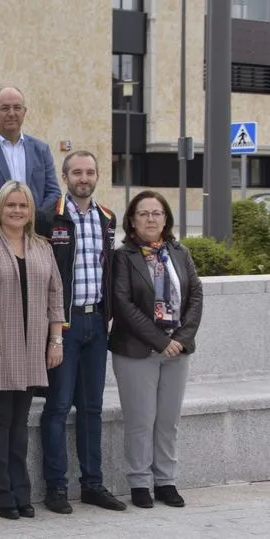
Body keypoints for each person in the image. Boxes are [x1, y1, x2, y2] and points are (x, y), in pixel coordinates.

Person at [0, 180, 65, 520]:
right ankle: (2, 494)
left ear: (30, 211)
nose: (17, 211)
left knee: (20, 424)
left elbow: (55, 295)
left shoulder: (42, 247)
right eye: (11, 205)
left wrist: (55, 340)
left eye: (23, 206)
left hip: (32, 347)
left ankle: (23, 493)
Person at [35, 150, 125, 514]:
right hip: (64, 323)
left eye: (89, 172)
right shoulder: (49, 217)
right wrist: (51, 331)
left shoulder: (107, 217)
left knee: (92, 408)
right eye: (77, 172)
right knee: (57, 407)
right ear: (65, 176)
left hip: (97, 324)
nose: (83, 178)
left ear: (97, 176)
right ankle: (56, 487)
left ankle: (93, 484)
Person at [108, 191, 203, 510]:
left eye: (157, 213)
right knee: (140, 419)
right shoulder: (123, 257)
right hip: (136, 350)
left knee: (168, 420)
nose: (151, 218)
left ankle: (165, 481)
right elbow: (121, 304)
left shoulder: (181, 253)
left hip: (178, 351)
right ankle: (139, 482)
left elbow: (196, 297)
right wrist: (161, 340)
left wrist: (181, 337)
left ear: (166, 219)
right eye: (143, 213)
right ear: (132, 220)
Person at [0, 87, 61, 233]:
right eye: (4, 108)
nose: (11, 113)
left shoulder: (41, 150)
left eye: (17, 107)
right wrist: (11, 226)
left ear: (24, 111)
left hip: (35, 236)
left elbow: (53, 194)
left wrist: (32, 223)